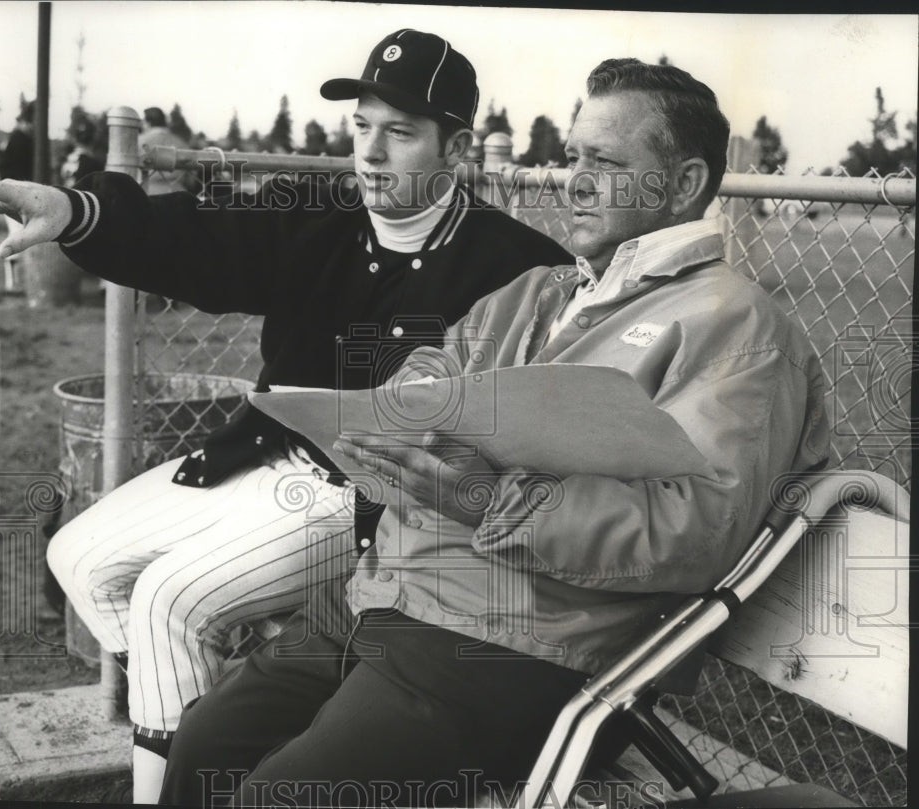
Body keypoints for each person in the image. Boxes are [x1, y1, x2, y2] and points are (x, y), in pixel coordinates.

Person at [145, 57, 827, 806]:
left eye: (605, 160)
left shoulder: (735, 326)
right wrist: (399, 416)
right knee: (205, 742)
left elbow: (696, 530)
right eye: (573, 156)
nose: (576, 179)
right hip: (390, 590)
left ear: (686, 182)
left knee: (278, 796)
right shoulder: (540, 292)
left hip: (522, 642)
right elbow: (430, 375)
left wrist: (494, 498)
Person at [0, 29, 572, 805]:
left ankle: (177, 780)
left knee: (171, 600)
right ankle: (226, 717)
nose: (371, 153)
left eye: (401, 132)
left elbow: (533, 428)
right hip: (263, 458)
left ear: (456, 148)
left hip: (371, 503)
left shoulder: (514, 263)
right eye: (362, 127)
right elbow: (198, 239)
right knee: (78, 555)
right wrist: (74, 210)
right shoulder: (321, 213)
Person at [0, 101, 34, 294]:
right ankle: (13, 284)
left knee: (20, 238)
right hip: (16, 196)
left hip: (16, 194)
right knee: (17, 237)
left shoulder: (20, 138)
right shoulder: (20, 139)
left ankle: (18, 283)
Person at [139, 106, 197, 195]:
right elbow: (191, 180)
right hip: (178, 193)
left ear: (148, 122)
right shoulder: (181, 143)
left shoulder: (138, 141)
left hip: (146, 193)